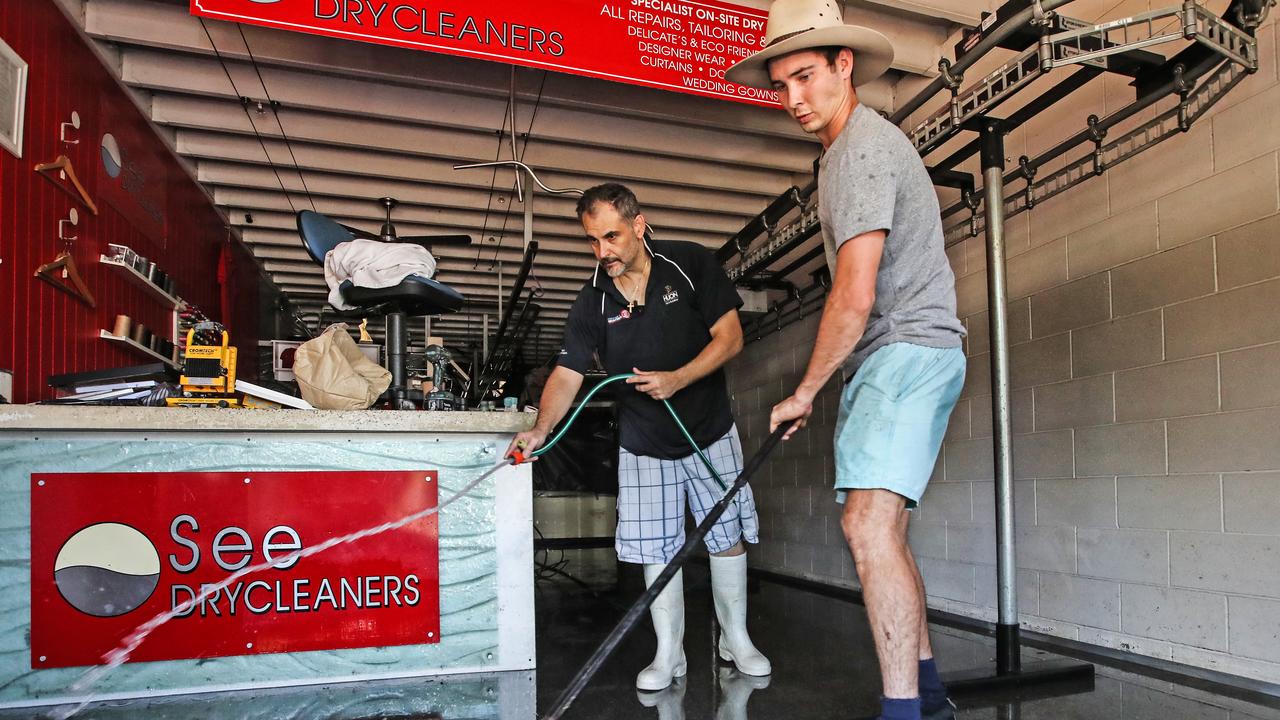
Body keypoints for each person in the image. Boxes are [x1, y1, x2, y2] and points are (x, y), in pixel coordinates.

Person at [727, 2, 967, 720]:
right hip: (903, 353)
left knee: (865, 527)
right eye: (782, 85)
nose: (795, 99)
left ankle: (904, 714)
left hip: (904, 347)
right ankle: (929, 699)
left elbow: (855, 294)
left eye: (806, 76)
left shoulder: (860, 149)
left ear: (844, 65)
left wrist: (803, 391)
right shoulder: (841, 154)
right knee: (882, 528)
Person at [508, 183, 770, 691]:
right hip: (644, 442)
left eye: (611, 236)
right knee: (656, 548)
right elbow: (567, 373)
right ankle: (669, 652)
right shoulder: (592, 300)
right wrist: (541, 428)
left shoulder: (690, 264)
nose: (602, 251)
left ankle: (736, 638)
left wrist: (677, 379)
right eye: (592, 240)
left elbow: (731, 338)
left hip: (709, 432)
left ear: (639, 225)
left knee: (727, 537)